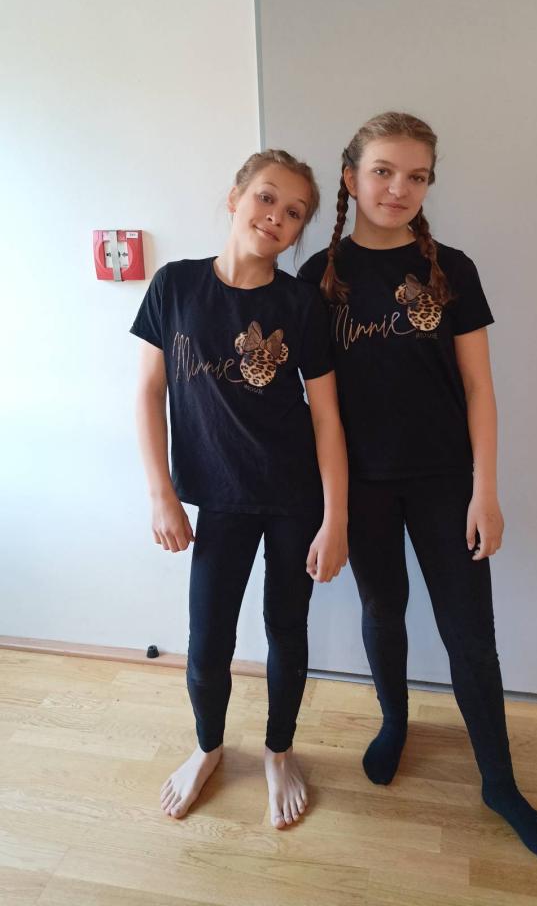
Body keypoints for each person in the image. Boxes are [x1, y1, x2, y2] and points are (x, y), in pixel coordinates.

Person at [298, 111, 537, 867]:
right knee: (383, 610)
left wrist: (487, 490)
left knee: (470, 633)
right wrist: (333, 512)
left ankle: (499, 782)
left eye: (416, 176)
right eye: (383, 171)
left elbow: (479, 389)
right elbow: (318, 410)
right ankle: (395, 722)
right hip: (364, 487)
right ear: (351, 178)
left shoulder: (452, 268)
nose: (399, 188)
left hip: (448, 482)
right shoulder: (318, 279)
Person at [131, 149, 348, 829]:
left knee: (286, 627)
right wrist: (162, 494)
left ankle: (280, 751)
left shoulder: (300, 303)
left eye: (295, 212)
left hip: (294, 499)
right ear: (235, 198)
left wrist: (335, 518)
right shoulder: (174, 285)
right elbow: (148, 392)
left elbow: (327, 417)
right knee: (208, 638)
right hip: (218, 499)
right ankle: (208, 747)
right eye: (267, 197)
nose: (277, 216)